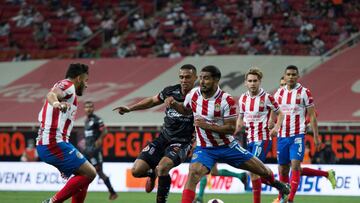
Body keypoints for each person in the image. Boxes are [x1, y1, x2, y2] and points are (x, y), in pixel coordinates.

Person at [166, 65, 290, 203]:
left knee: (262, 171)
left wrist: (206, 125)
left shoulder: (226, 100)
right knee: (193, 173)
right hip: (205, 148)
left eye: (206, 78)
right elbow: (186, 109)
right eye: (201, 78)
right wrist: (174, 105)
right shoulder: (193, 94)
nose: (202, 81)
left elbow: (231, 128)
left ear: (216, 80)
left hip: (227, 146)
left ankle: (278, 185)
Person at [113, 64, 198, 203]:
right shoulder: (170, 91)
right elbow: (152, 101)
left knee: (163, 167)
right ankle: (152, 174)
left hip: (182, 142)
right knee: (136, 171)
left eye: (188, 77)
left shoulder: (199, 96)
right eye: (181, 77)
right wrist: (130, 108)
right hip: (163, 138)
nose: (184, 80)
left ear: (195, 78)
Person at [273, 65, 336, 203]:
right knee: (283, 170)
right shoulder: (278, 94)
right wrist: (272, 127)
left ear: (298, 76)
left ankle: (289, 199)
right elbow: (274, 114)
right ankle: (282, 197)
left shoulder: (304, 92)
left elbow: (313, 115)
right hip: (282, 137)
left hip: (297, 135)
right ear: (284, 76)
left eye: (293, 74)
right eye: (288, 74)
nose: (290, 77)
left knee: (295, 166)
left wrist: (315, 135)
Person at [36, 63, 96, 203]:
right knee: (90, 173)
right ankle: (52, 202)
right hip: (52, 142)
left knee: (83, 177)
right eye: (86, 80)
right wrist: (56, 103)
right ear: (79, 78)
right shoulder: (68, 85)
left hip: (53, 142)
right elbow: (52, 94)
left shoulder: (71, 92)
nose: (86, 85)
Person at [236, 67, 285, 203]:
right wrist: (237, 127)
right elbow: (240, 117)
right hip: (249, 139)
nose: (252, 83)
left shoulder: (267, 97)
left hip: (262, 138)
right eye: (250, 81)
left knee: (254, 171)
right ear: (246, 82)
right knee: (257, 174)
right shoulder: (243, 99)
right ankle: (281, 186)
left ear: (260, 82)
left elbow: (280, 112)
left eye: (255, 81)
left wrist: (276, 126)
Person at [83, 101, 118, 200]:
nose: (88, 109)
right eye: (86, 107)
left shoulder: (97, 120)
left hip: (95, 151)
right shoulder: (86, 121)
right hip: (87, 151)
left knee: (99, 172)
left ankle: (112, 192)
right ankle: (79, 191)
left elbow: (105, 131)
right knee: (81, 170)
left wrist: (99, 140)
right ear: (84, 109)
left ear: (93, 108)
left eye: (90, 107)